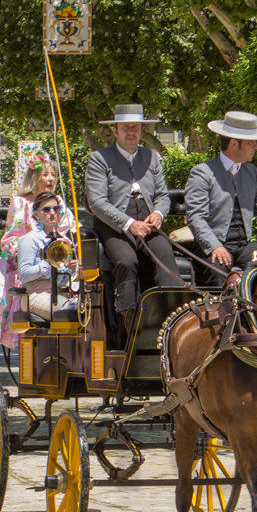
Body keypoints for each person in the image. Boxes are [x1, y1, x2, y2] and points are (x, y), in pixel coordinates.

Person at [85, 103, 183, 338]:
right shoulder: (99, 159)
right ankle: (129, 325)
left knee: (166, 254)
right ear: (115, 130)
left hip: (148, 223)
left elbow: (161, 195)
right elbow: (97, 203)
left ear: (141, 131)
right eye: (126, 127)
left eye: (136, 127)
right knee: (127, 261)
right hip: (114, 226)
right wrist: (129, 224)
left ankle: (170, 319)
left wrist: (158, 214)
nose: (131, 132)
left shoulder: (151, 157)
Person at [183, 111, 257, 289]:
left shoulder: (252, 172)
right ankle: (217, 316)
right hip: (211, 246)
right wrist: (214, 246)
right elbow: (196, 218)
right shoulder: (202, 173)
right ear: (233, 143)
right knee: (219, 271)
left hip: (243, 246)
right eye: (250, 142)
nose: (256, 146)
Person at [0, 152, 75, 347]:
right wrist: (34, 252)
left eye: (53, 175)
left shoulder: (58, 202)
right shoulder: (21, 203)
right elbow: (9, 240)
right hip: (29, 268)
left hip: (60, 268)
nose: (50, 179)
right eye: (46, 174)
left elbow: (71, 231)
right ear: (34, 177)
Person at [17, 191, 81, 321]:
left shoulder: (62, 240)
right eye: (46, 210)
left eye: (56, 209)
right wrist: (49, 263)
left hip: (59, 293)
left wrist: (72, 269)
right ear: (36, 214)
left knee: (91, 306)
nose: (52, 213)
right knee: (75, 310)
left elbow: (62, 276)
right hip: (35, 294)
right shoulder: (30, 239)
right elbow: (24, 275)